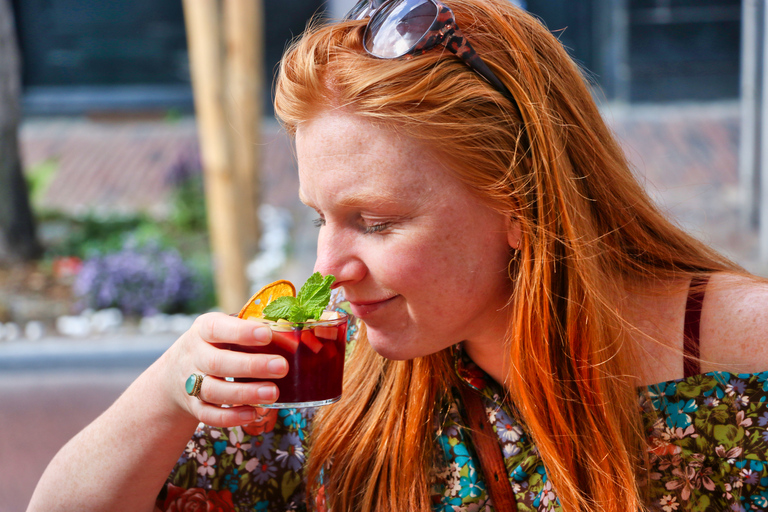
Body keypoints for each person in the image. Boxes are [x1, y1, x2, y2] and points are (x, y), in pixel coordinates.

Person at [27, 0, 768, 511]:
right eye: (320, 216)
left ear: (520, 206)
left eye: (374, 222)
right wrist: (166, 392)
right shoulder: (338, 376)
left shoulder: (740, 349)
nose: (328, 268)